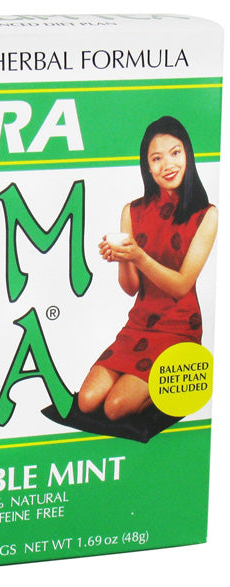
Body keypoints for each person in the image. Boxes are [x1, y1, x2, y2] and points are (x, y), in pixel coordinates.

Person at [78, 116, 218, 422]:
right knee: (87, 402)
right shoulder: (132, 211)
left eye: (175, 153)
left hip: (179, 327)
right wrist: (122, 257)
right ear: (148, 167)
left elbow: (181, 285)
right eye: (157, 158)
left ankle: (172, 385)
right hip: (139, 324)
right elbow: (130, 288)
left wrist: (139, 257)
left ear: (187, 154)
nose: (167, 164)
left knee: (115, 408)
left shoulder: (206, 215)